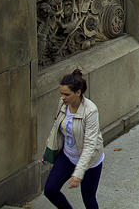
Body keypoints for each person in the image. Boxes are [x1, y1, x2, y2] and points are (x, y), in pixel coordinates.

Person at [43, 69, 104, 209]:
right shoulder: (63, 103)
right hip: (68, 155)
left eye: (66, 94)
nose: (63, 98)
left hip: (90, 161)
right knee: (50, 190)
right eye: (61, 94)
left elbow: (90, 145)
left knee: (88, 198)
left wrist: (78, 173)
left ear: (78, 92)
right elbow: (57, 126)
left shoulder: (90, 111)